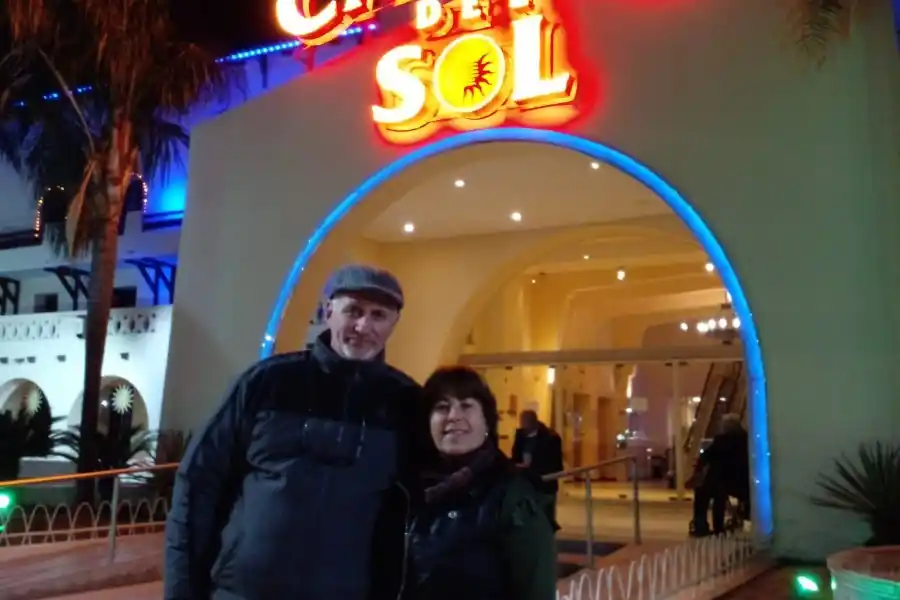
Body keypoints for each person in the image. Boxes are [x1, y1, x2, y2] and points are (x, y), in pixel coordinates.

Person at [164, 265, 422, 600]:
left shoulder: (406, 402)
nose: (363, 326)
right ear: (328, 311)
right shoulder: (266, 382)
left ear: (393, 324)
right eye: (353, 311)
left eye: (378, 316)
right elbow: (198, 484)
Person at [405, 366, 557, 600]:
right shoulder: (406, 488)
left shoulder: (512, 495)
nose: (453, 416)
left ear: (487, 422)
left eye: (466, 405)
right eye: (442, 407)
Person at [688, 412, 750, 537]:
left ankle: (701, 525)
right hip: (743, 483)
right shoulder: (747, 439)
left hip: (723, 482)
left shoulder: (721, 440)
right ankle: (718, 527)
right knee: (717, 492)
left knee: (702, 493)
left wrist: (698, 470)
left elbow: (706, 456)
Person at [511, 409, 564, 524]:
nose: (523, 425)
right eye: (522, 422)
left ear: (534, 421)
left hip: (544, 485)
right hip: (526, 485)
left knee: (545, 519)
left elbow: (555, 463)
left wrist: (533, 469)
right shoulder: (520, 436)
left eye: (526, 422)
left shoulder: (551, 438)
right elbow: (515, 457)